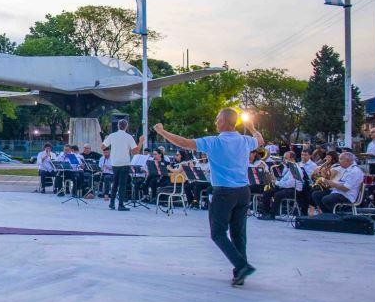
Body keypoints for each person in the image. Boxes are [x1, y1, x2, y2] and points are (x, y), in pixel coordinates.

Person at [153, 108, 264, 287]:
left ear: (224, 122)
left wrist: (162, 131)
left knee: (218, 233)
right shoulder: (245, 140)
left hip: (224, 192)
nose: (215, 121)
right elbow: (260, 140)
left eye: (217, 118)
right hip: (243, 191)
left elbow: (184, 143)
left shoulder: (215, 142)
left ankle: (242, 266)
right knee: (238, 233)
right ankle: (239, 273)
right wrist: (251, 127)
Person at [102, 119, 144, 211]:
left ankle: (112, 203)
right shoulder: (129, 137)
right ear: (126, 126)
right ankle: (121, 205)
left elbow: (103, 147)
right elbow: (135, 151)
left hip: (115, 163)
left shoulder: (112, 136)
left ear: (118, 126)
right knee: (122, 185)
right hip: (124, 163)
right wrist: (141, 141)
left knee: (115, 184)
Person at [259, 151, 303, 219]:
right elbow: (284, 180)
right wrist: (275, 180)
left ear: (292, 159)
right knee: (267, 191)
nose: (284, 160)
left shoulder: (295, 169)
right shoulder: (287, 168)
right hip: (286, 188)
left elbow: (289, 184)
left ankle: (272, 215)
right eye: (284, 158)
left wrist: (276, 182)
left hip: (294, 190)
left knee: (278, 194)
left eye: (286, 158)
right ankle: (266, 212)